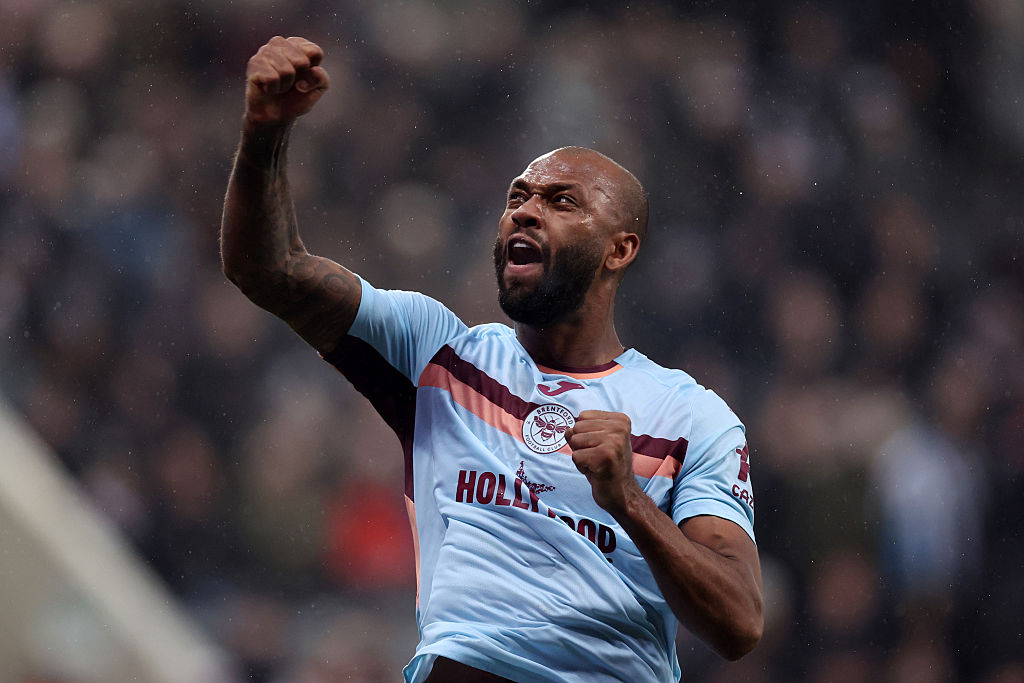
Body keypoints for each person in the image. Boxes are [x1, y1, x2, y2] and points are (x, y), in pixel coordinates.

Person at [221, 36, 763, 683]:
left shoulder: (691, 415)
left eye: (561, 201)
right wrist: (264, 134)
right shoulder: (439, 353)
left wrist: (628, 501)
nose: (525, 213)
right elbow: (268, 269)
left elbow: (739, 621)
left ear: (620, 250)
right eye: (517, 198)